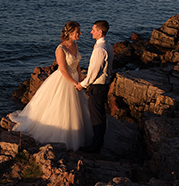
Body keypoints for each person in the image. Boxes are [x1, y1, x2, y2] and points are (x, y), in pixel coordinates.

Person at [8, 21, 92, 151]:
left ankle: (76, 137)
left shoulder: (75, 45)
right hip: (64, 80)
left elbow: (77, 63)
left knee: (77, 109)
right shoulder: (61, 49)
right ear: (69, 33)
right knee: (62, 108)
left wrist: (80, 79)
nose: (80, 33)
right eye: (77, 32)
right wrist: (75, 83)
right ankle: (62, 138)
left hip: (76, 79)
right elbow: (63, 70)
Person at [75, 20, 113, 153]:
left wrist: (82, 85)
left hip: (97, 86)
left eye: (93, 30)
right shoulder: (107, 45)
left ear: (100, 32)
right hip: (103, 85)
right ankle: (99, 142)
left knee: (96, 116)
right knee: (100, 114)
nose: (91, 32)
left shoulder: (100, 49)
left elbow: (93, 73)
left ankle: (95, 146)